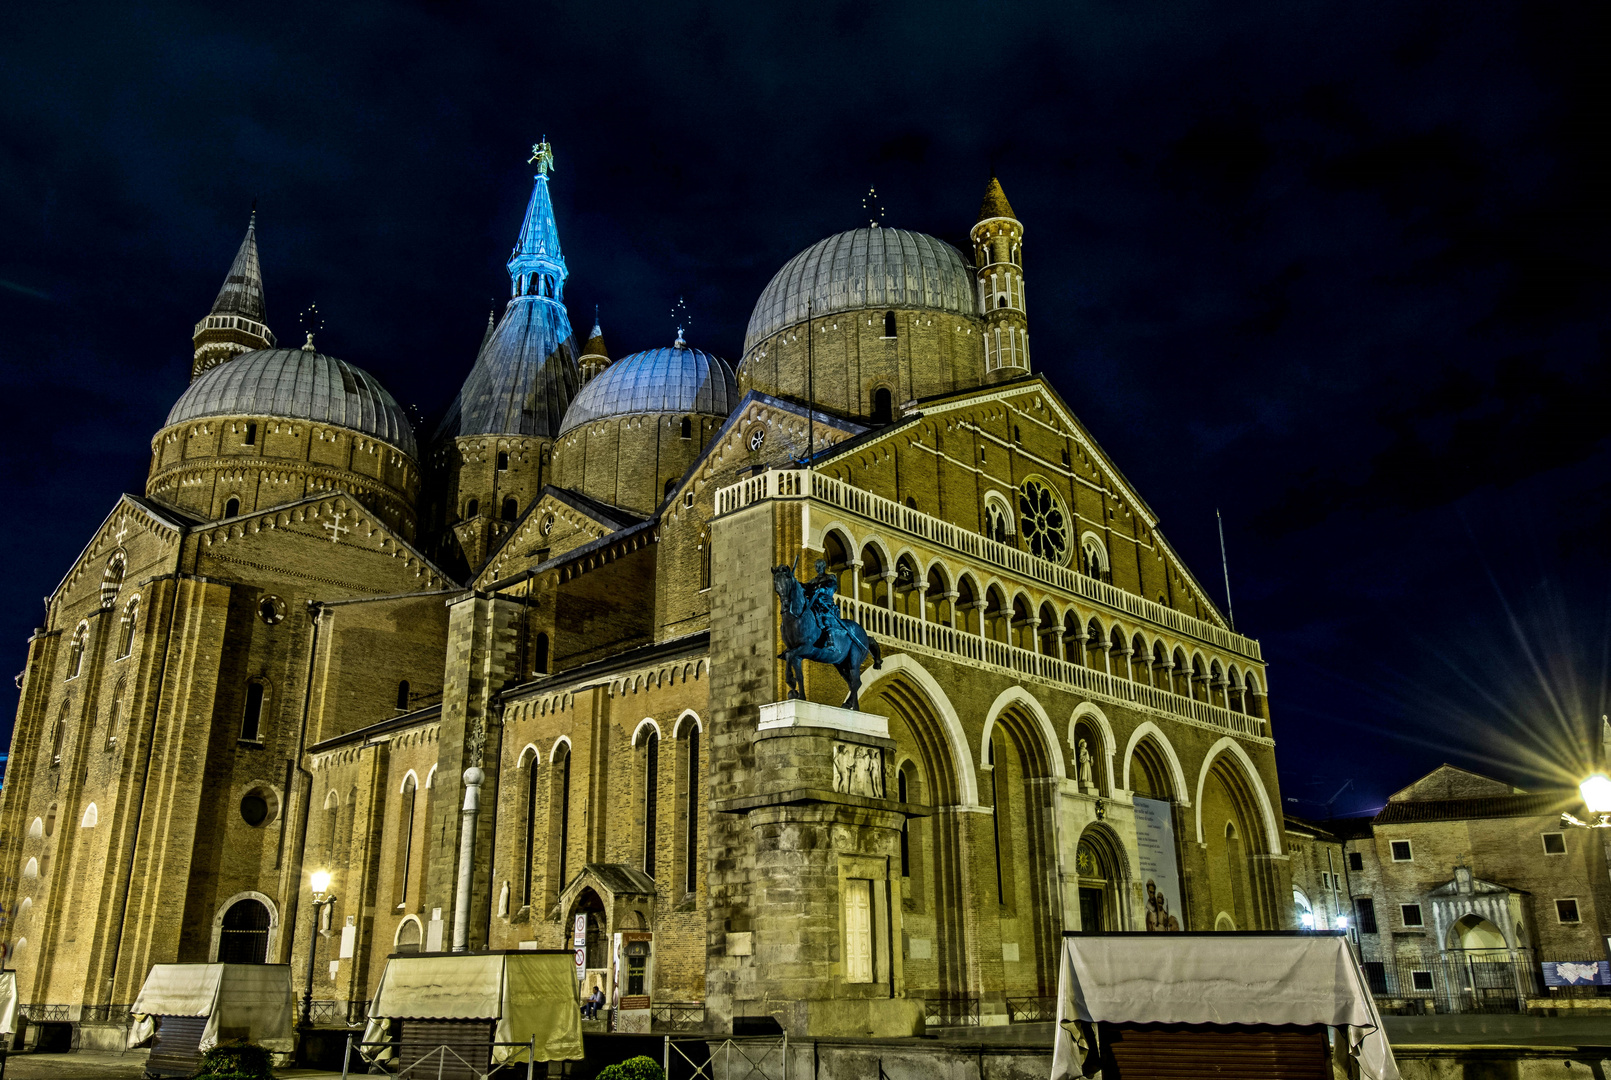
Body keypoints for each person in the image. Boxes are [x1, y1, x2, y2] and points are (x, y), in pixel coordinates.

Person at [801, 559, 845, 648]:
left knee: (825, 618)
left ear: (823, 566)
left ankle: (831, 641)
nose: (817, 568)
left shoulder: (830, 577)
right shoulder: (813, 580)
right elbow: (806, 586)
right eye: (816, 566)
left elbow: (833, 586)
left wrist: (823, 589)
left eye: (819, 566)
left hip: (825, 603)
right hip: (814, 603)